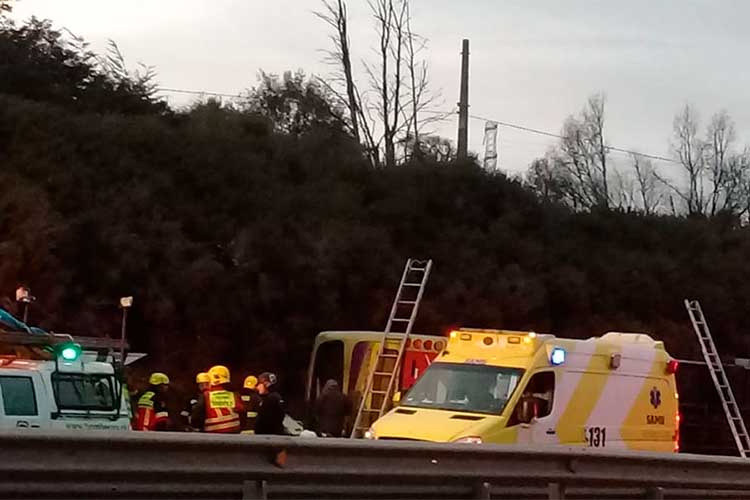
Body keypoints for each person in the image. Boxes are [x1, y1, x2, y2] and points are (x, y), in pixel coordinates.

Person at [192, 365, 243, 434]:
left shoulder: (206, 395)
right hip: (234, 434)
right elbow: (242, 411)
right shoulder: (233, 394)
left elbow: (197, 417)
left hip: (213, 435)